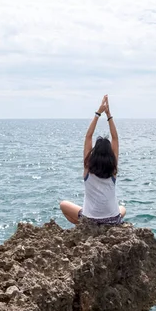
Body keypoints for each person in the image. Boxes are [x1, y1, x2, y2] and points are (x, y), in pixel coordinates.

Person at [60, 95, 126, 225]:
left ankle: (83, 227)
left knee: (63, 205)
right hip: (112, 221)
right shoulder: (113, 169)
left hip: (90, 220)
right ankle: (94, 227)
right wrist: (109, 115)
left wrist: (98, 113)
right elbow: (116, 139)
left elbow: (88, 137)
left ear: (94, 153)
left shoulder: (87, 167)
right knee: (123, 208)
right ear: (110, 155)